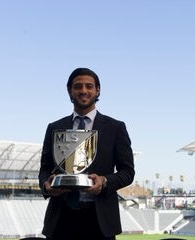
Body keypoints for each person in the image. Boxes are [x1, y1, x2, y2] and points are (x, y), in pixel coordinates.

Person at [38, 67, 135, 240]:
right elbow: (44, 170)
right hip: (61, 218)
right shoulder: (54, 128)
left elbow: (127, 172)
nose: (83, 91)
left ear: (97, 90)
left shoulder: (115, 128)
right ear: (70, 90)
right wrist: (47, 186)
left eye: (89, 86)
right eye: (78, 86)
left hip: (100, 220)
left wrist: (104, 181)